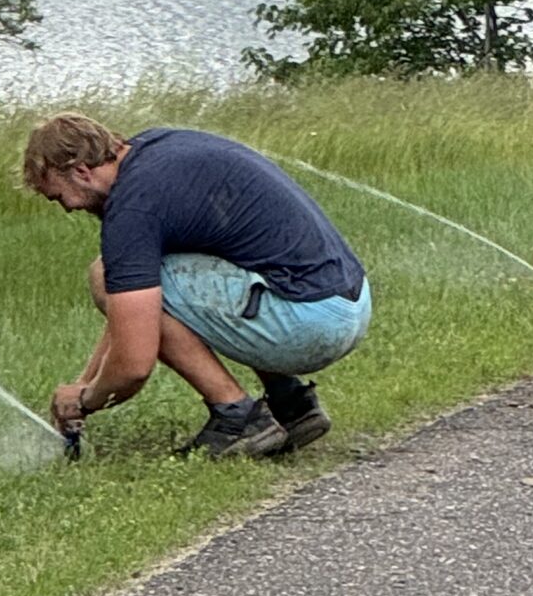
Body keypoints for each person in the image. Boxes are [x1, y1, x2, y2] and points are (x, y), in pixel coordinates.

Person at [23, 113, 372, 459]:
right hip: (349, 304)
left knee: (104, 274)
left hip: (310, 325)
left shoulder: (133, 209)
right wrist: (83, 384)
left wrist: (86, 400)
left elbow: (133, 365)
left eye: (58, 197)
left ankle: (237, 417)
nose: (67, 209)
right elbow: (128, 314)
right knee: (126, 280)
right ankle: (290, 403)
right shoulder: (156, 149)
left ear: (81, 171)